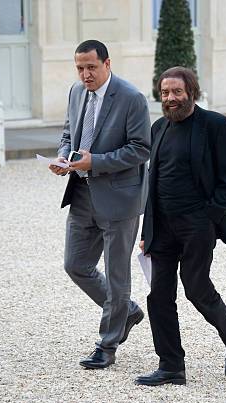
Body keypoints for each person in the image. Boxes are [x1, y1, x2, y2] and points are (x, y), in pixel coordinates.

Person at [135, 67, 226, 386]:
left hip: (197, 224)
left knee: (196, 287)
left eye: (177, 92)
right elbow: (152, 183)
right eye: (165, 93)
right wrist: (147, 231)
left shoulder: (216, 125)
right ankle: (171, 365)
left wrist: (209, 217)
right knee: (158, 296)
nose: (171, 98)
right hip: (162, 227)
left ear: (192, 93)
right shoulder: (158, 128)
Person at [48, 40, 151, 369]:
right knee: (76, 265)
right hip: (81, 195)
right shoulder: (76, 93)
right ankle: (129, 312)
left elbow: (141, 149)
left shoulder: (132, 98)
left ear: (107, 63)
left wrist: (97, 162)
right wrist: (64, 155)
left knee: (117, 276)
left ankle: (107, 346)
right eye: (79, 68)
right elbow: (69, 133)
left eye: (91, 67)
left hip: (120, 198)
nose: (85, 74)